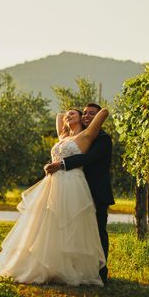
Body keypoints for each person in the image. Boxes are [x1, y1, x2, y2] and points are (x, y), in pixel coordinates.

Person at [0, 108, 108, 286]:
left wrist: (87, 116)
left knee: (68, 224)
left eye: (73, 114)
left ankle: (70, 268)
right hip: (52, 183)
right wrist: (69, 117)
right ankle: (48, 266)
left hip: (72, 183)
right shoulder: (63, 138)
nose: (68, 116)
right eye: (69, 114)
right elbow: (59, 116)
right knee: (47, 223)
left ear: (82, 119)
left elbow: (104, 112)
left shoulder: (85, 136)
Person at [44, 103, 114, 284]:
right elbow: (60, 116)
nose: (87, 116)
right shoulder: (71, 136)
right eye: (85, 113)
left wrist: (62, 164)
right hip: (72, 189)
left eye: (92, 114)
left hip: (96, 191)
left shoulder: (102, 138)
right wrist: (71, 116)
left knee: (97, 232)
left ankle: (100, 272)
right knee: (70, 229)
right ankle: (72, 267)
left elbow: (88, 158)